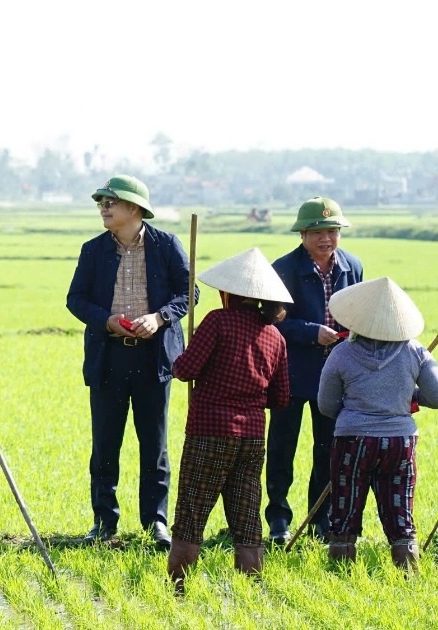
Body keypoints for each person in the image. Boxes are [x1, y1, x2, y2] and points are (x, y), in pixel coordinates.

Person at [66, 174, 190, 549]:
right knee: (105, 444)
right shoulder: (93, 250)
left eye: (111, 202)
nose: (103, 209)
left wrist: (160, 317)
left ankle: (156, 521)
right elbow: (76, 299)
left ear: (134, 209)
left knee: (155, 445)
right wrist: (104, 320)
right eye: (101, 203)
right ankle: (104, 521)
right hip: (109, 356)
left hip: (154, 359)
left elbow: (189, 292)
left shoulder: (166, 245)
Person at [166, 248, 291, 592]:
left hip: (209, 432)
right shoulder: (275, 337)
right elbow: (281, 398)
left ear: (229, 293)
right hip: (252, 438)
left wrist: (179, 362)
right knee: (248, 520)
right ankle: (250, 591)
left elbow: (186, 369)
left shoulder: (217, 321)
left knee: (191, 513)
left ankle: (177, 590)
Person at [319, 278, 438, 571]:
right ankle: (407, 574)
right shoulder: (415, 351)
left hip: (352, 441)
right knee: (400, 510)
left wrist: (353, 414)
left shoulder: (342, 353)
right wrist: (410, 395)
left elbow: (326, 404)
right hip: (400, 442)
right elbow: (435, 397)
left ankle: (340, 575)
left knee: (345, 508)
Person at [265, 197, 363, 544]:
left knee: (328, 449)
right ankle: (279, 520)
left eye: (333, 230)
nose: (327, 238)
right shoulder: (284, 269)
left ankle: (321, 521)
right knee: (281, 449)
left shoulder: (353, 267)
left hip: (336, 376)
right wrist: (310, 332)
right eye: (318, 231)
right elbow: (272, 323)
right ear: (303, 233)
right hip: (291, 372)